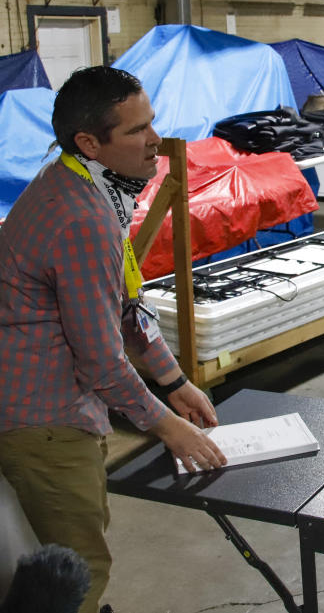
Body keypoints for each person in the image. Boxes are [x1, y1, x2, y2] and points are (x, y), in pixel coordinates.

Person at [0, 66, 227, 613]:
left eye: (152, 123)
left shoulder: (82, 185)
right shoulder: (81, 217)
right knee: (75, 573)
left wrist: (175, 382)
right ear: (89, 142)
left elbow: (126, 306)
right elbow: (102, 362)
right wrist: (168, 426)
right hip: (45, 425)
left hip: (46, 412)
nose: (155, 141)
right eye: (136, 131)